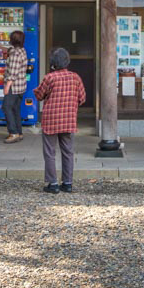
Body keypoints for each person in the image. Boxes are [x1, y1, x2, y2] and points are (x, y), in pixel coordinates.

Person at [33, 47, 86, 194]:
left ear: (53, 63)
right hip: (68, 119)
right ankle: (67, 183)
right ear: (67, 61)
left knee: (50, 152)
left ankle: (53, 183)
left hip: (50, 120)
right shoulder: (75, 77)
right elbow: (82, 98)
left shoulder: (49, 78)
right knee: (68, 152)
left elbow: (39, 95)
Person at [1, 30, 27, 143]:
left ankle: (13, 133)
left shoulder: (15, 54)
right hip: (21, 86)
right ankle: (19, 132)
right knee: (16, 109)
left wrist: (7, 86)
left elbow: (13, 72)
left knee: (6, 107)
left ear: (12, 40)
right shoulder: (21, 50)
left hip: (14, 86)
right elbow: (9, 50)